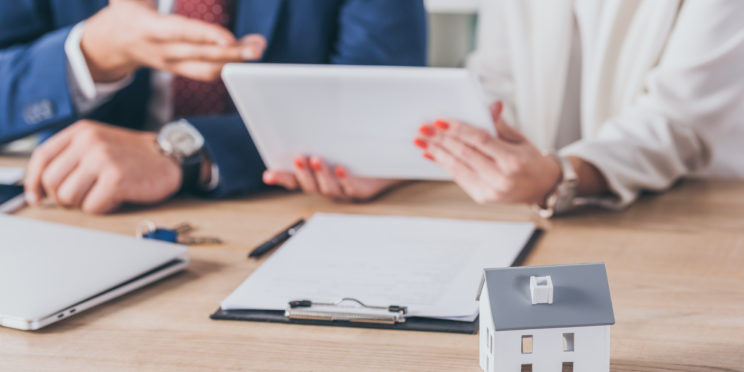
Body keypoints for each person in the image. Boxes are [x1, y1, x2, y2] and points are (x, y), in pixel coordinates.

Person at [0, 0, 426, 213]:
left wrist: (186, 151)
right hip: (77, 210)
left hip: (287, 211)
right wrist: (93, 52)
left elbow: (380, 102)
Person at [405, 0, 744, 216]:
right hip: (549, 212)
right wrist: (406, 161)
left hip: (688, 209)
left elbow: (676, 122)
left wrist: (559, 176)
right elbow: (495, 81)